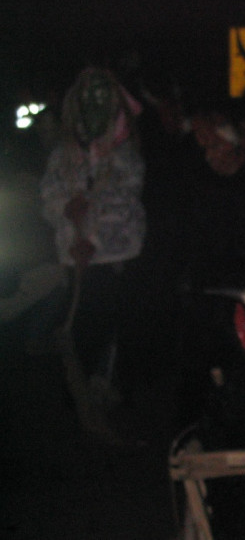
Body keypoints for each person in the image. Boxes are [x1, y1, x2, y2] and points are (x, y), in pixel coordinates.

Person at [39, 67, 146, 407]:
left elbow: (124, 202)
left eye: (102, 95)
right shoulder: (63, 154)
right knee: (79, 327)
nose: (94, 103)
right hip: (76, 260)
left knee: (113, 326)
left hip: (114, 259)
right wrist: (64, 208)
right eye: (87, 96)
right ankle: (78, 395)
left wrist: (94, 241)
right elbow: (49, 195)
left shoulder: (124, 155)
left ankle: (109, 389)